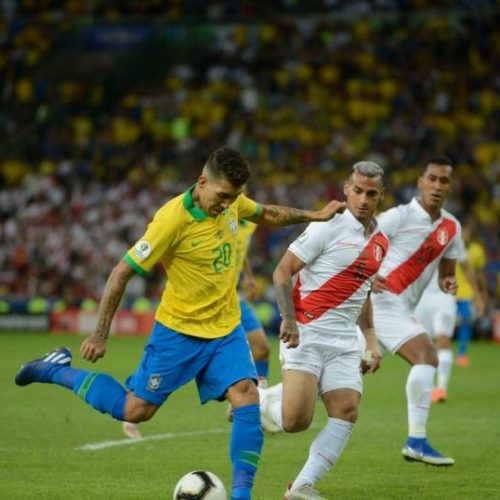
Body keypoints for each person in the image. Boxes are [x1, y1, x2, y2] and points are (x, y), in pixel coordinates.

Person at [14, 146, 346, 500]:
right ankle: (54, 370)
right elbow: (121, 272)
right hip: (179, 332)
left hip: (225, 327)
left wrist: (315, 215)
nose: (227, 203)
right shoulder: (170, 220)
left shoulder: (232, 201)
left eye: (233, 197)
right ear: (202, 182)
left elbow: (266, 213)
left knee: (246, 397)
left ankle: (241, 496)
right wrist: (99, 333)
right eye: (222, 196)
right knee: (135, 409)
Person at [260, 161, 387, 500]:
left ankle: (302, 486)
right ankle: (260, 400)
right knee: (295, 422)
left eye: (370, 193)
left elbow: (363, 293)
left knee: (346, 410)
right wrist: (288, 318)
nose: (363, 199)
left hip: (345, 341)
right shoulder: (326, 228)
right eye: (357, 190)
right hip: (307, 333)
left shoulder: (380, 241)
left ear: (380, 196)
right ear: (347, 189)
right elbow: (282, 271)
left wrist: (371, 343)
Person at [122, 218, 271, 439]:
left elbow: (237, 250)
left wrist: (247, 276)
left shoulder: (243, 218)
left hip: (230, 298)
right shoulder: (207, 218)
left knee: (262, 348)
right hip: (197, 305)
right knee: (169, 371)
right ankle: (131, 406)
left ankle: (254, 401)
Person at [371, 156, 462, 466]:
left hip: (399, 306)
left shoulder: (451, 227)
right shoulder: (397, 217)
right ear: (420, 182)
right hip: (382, 300)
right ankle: (416, 440)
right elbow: (356, 240)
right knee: (427, 355)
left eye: (444, 180)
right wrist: (368, 276)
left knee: (340, 375)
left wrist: (448, 282)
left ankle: (265, 406)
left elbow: (446, 270)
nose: (437, 185)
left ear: (450, 186)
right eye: (432, 178)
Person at [413, 243, 484, 403]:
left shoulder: (452, 231)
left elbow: (466, 267)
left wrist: (477, 295)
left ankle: (441, 389)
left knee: (443, 341)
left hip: (444, 296)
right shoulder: (413, 227)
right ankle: (429, 388)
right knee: (423, 344)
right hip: (420, 298)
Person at [454, 219, 489, 367]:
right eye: (462, 232)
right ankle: (439, 352)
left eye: (467, 233)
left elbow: (480, 273)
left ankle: (461, 353)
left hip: (467, 293)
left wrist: (482, 292)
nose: (464, 235)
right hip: (449, 292)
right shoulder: (451, 248)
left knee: (466, 321)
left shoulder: (477, 250)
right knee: (444, 323)